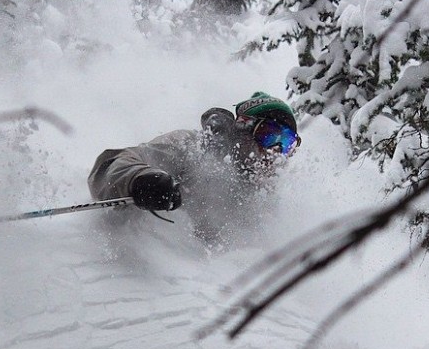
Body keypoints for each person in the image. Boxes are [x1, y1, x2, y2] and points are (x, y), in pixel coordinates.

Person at [88, 92, 300, 239]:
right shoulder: (192, 149)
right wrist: (139, 179)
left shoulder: (263, 201)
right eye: (269, 135)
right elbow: (111, 164)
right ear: (244, 127)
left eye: (288, 143)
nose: (275, 151)